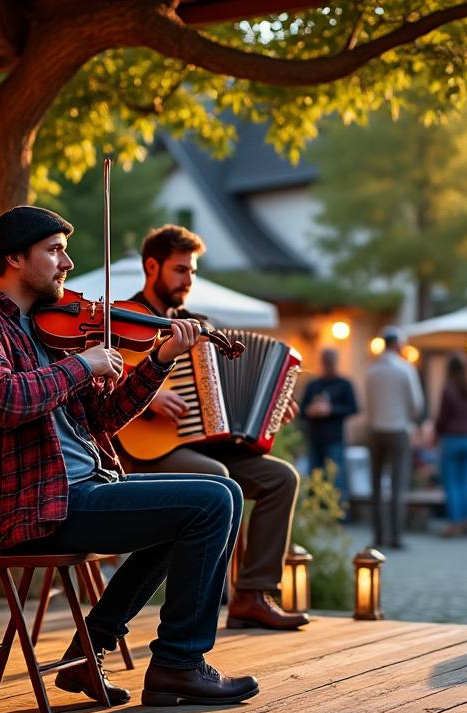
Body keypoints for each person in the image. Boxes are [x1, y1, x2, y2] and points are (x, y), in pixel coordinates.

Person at [0, 206, 255, 707]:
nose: (67, 263)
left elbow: (103, 418)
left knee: (224, 492)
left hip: (87, 488)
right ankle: (179, 664)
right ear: (14, 259)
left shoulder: (50, 332)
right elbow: (3, 402)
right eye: (54, 251)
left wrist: (156, 362)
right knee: (211, 503)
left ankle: (91, 651)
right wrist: (82, 366)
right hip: (39, 505)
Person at [123, 225, 306, 631]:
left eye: (192, 272)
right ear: (152, 267)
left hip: (201, 443)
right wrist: (149, 395)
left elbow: (224, 393)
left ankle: (252, 595)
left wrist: (272, 407)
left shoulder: (196, 326)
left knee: (280, 478)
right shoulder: (125, 320)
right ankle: (201, 606)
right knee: (216, 477)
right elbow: (100, 379)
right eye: (180, 270)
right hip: (144, 450)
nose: (188, 280)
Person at [365, 326, 424, 550]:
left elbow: (367, 402)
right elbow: (416, 404)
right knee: (398, 485)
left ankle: (379, 536)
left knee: (376, 486)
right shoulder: (405, 369)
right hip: (399, 430)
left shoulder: (371, 369)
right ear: (398, 344)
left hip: (375, 430)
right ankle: (396, 537)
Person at [435, 353, 467, 538]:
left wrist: (437, 433)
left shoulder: (449, 389)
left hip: (452, 439)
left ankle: (455, 523)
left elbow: (442, 418)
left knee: (452, 484)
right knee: (466, 482)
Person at [301, 347, 359, 505]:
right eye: (326, 360)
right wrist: (311, 411)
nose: (328, 363)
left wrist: (331, 410)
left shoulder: (344, 384)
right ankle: (314, 514)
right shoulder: (313, 385)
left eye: (331, 359)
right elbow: (302, 410)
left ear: (336, 361)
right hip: (315, 438)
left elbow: (354, 408)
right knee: (314, 477)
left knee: (337, 478)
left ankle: (339, 516)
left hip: (335, 439)